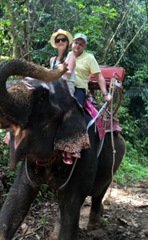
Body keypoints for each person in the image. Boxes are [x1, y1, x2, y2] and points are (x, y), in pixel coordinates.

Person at [49, 29, 89, 164]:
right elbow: (50, 76)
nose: (61, 42)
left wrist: (60, 69)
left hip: (66, 89)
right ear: (55, 43)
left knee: (69, 113)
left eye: (63, 40)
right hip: (53, 88)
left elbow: (67, 74)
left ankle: (70, 148)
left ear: (67, 43)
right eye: (58, 40)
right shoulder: (52, 59)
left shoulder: (71, 56)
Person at [70, 33, 112, 106]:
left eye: (81, 44)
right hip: (65, 85)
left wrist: (105, 94)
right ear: (72, 43)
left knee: (77, 108)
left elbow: (99, 77)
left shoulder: (89, 58)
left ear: (85, 47)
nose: (77, 45)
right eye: (76, 43)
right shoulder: (67, 56)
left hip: (79, 88)